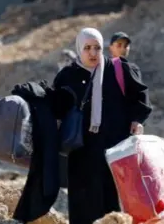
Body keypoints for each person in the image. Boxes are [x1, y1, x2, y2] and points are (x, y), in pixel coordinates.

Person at [52, 27, 152, 224]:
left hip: (115, 150)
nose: (92, 53)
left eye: (96, 48)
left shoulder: (118, 70)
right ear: (79, 48)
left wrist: (137, 120)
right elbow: (56, 108)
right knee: (83, 204)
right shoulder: (68, 76)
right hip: (81, 151)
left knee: (113, 202)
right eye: (87, 48)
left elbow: (140, 97)